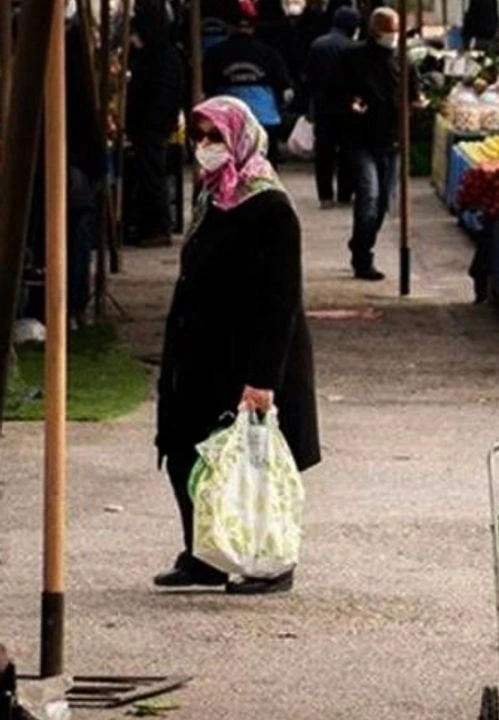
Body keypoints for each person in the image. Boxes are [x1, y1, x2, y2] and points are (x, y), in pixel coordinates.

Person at [154, 96, 319, 595]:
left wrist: (263, 378)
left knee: (251, 463)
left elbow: (280, 300)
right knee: (188, 452)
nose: (204, 148)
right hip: (200, 351)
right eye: (199, 137)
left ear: (240, 140)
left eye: (215, 138)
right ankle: (204, 554)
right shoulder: (211, 195)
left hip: (247, 356)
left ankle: (269, 561)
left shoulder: (268, 204)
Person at [335, 6, 422, 280]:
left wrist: (416, 105)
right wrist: (352, 104)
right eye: (388, 30)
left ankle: (361, 243)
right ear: (374, 31)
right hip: (360, 139)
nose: (392, 36)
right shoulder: (353, 57)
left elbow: (414, 95)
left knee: (383, 202)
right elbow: (337, 92)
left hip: (392, 141)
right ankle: (363, 257)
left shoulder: (404, 60)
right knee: (369, 196)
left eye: (396, 30)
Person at [203, 4, 295, 163]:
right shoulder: (270, 53)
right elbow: (286, 90)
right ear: (253, 28)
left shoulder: (215, 54)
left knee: (228, 164)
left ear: (229, 27)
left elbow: (206, 89)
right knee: (265, 166)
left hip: (228, 119)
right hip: (264, 119)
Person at [126, 0, 185, 247]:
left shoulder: (159, 57)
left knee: (152, 174)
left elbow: (161, 94)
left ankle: (157, 227)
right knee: (150, 173)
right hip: (154, 123)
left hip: (152, 124)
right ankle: (149, 225)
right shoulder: (166, 54)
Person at [307, 6, 360, 207]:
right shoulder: (354, 48)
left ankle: (325, 196)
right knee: (347, 151)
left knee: (324, 152)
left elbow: (309, 77)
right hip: (346, 107)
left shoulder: (317, 45)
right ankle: (345, 193)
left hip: (323, 106)